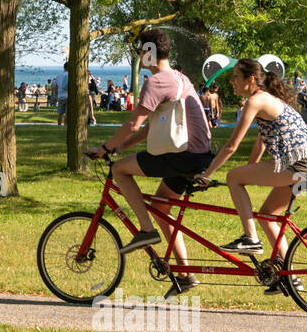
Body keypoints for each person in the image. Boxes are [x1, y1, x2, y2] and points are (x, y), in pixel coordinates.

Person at [88, 28, 213, 298]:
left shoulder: (156, 82)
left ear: (150, 52)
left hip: (181, 156)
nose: (139, 56)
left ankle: (145, 231)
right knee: (160, 206)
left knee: (119, 169)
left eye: (141, 50)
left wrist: (105, 149)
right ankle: (186, 273)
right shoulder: (179, 77)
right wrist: (121, 146)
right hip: (196, 154)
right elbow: (152, 128)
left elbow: (134, 123)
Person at [195, 59, 307, 294]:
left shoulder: (256, 100)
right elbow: (261, 143)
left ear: (250, 80)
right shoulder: (266, 100)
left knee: (233, 177)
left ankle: (250, 239)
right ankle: (290, 278)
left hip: (299, 165)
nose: (231, 82)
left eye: (235, 77)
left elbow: (232, 145)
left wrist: (206, 174)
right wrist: (250, 170)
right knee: (267, 215)